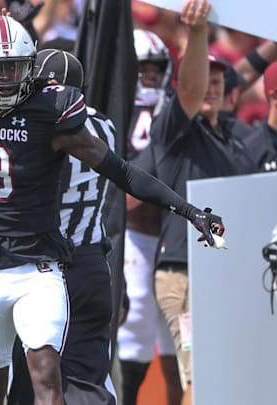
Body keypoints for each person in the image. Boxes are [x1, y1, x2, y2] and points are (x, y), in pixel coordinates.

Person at [0, 15, 224, 405]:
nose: (5, 77)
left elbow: (122, 172)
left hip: (40, 269)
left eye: (14, 67)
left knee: (47, 382)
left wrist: (188, 210)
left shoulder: (51, 113)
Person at [146, 2, 263, 404]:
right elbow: (190, 91)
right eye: (204, 78)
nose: (210, 87)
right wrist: (196, 35)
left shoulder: (237, 141)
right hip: (186, 274)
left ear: (230, 90)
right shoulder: (175, 131)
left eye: (219, 80)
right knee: (200, 375)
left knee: (230, 374)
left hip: (227, 272)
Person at [0, 48, 117, 405]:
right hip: (93, 263)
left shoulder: (44, 127)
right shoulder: (105, 125)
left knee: (32, 385)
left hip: (46, 267)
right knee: (87, 380)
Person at [117, 29, 182, 405]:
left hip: (172, 236)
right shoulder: (115, 105)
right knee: (135, 330)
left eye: (156, 69)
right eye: (143, 68)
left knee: (176, 340)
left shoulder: (172, 107)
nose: (151, 76)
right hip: (135, 236)